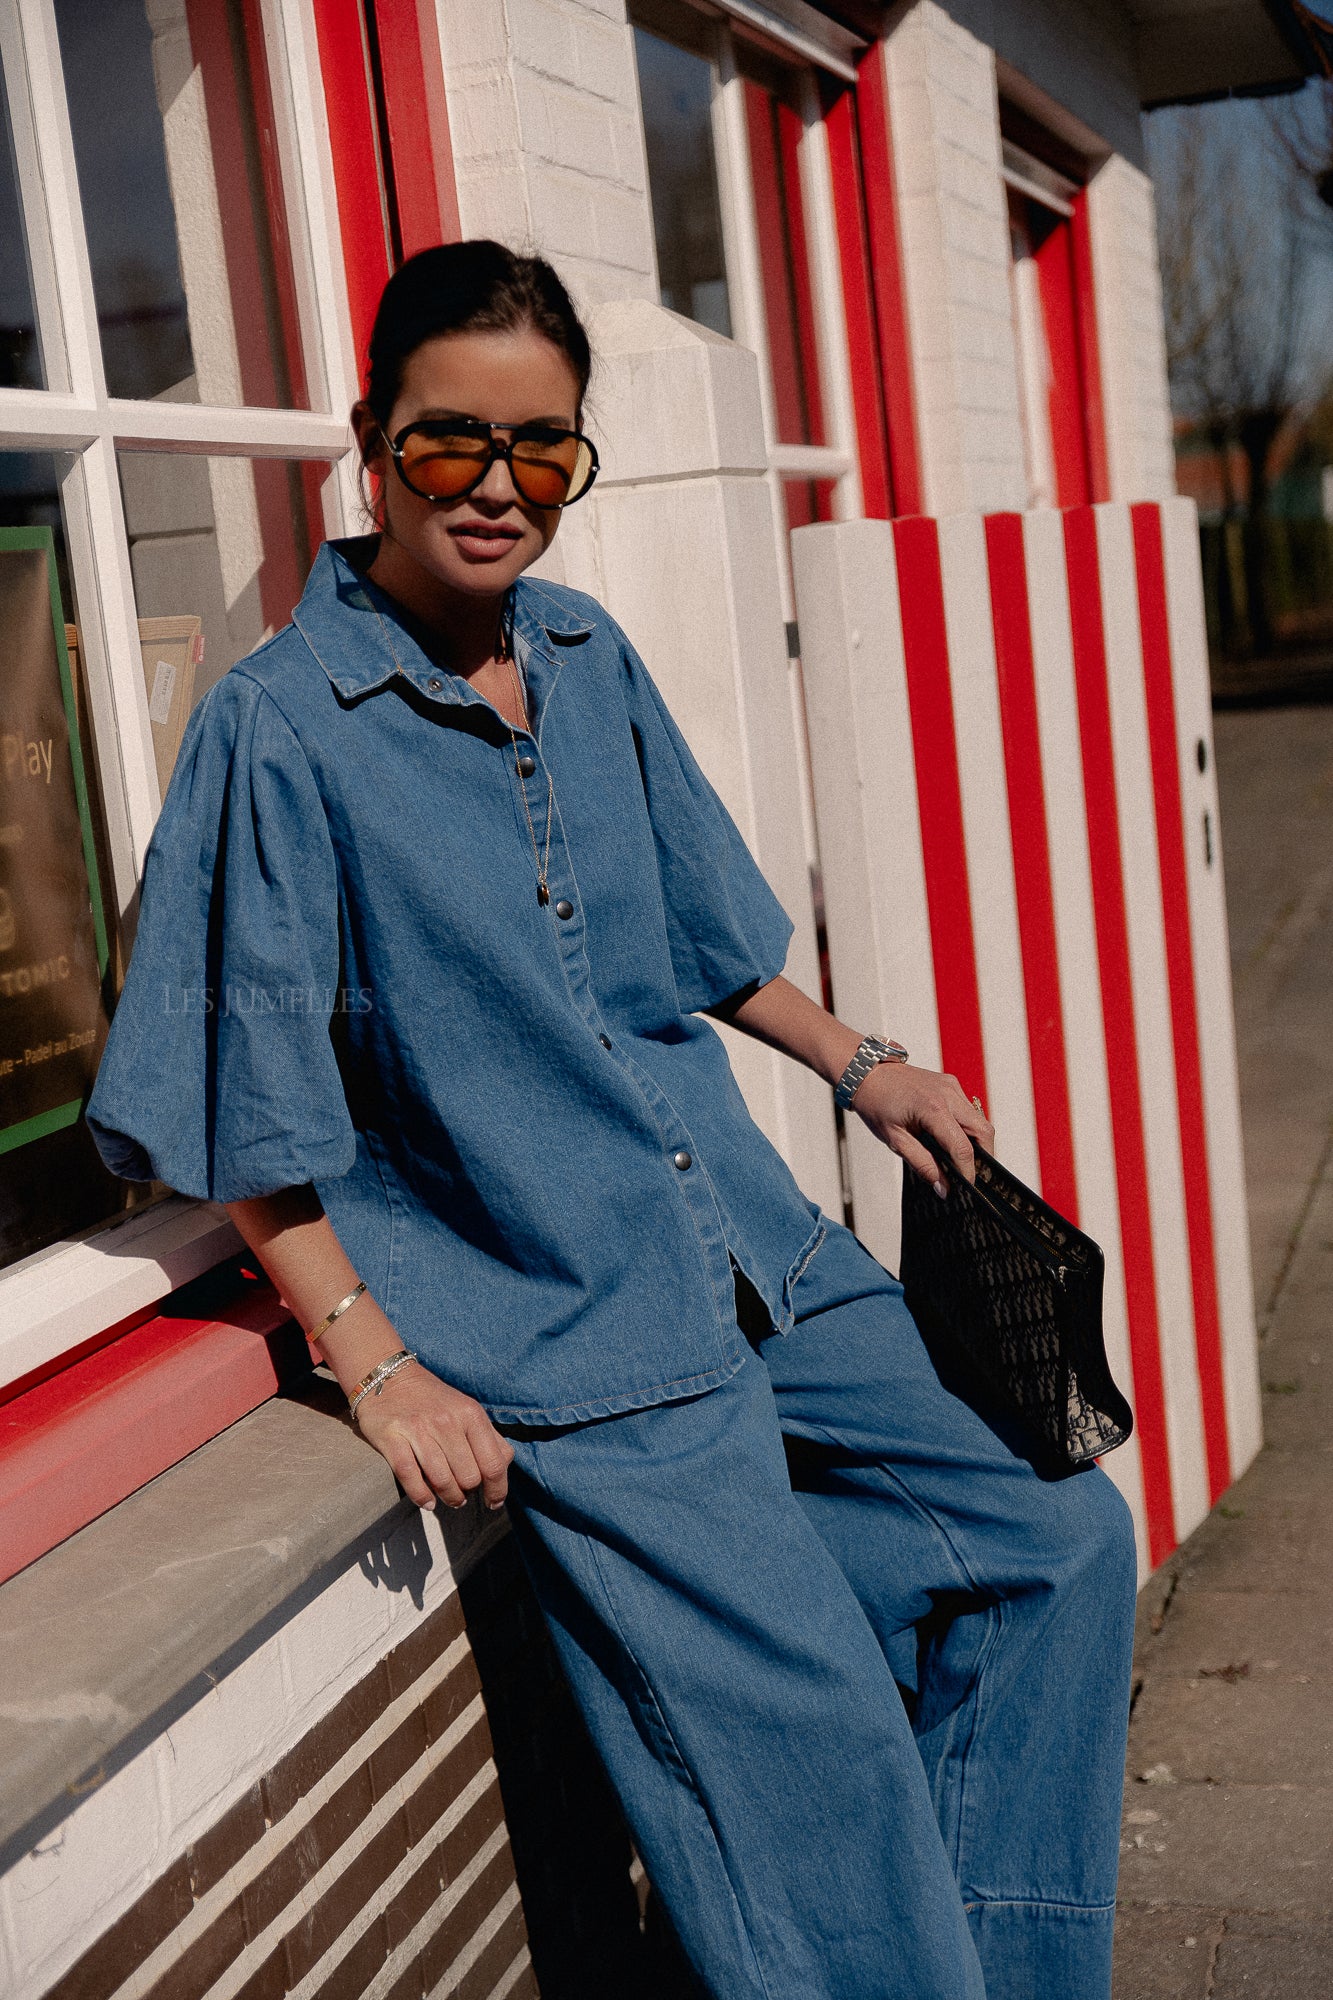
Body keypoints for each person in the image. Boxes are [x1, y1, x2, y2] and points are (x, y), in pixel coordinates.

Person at [87, 240, 1136, 2000]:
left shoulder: (582, 649)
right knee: (819, 1749)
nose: (495, 488)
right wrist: (376, 1363)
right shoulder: (279, 736)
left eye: (541, 450)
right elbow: (243, 1117)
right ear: (368, 442)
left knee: (1060, 1541)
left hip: (755, 1254)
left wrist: (859, 1063)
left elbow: (704, 945)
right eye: (449, 442)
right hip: (572, 1333)